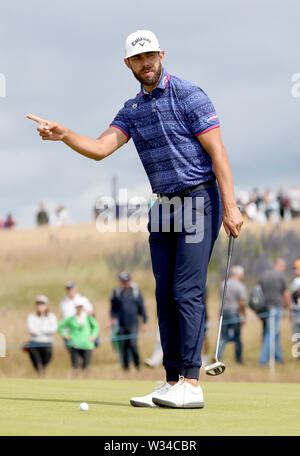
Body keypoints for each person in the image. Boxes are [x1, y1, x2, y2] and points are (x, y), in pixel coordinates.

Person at [27, 29, 243, 408]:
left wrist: (231, 206)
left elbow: (218, 152)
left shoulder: (190, 95)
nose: (147, 62)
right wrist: (64, 135)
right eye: (139, 58)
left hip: (198, 200)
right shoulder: (132, 110)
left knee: (185, 291)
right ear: (128, 63)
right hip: (163, 208)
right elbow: (99, 148)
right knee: (163, 295)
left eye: (152, 55)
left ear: (162, 55)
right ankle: (172, 379)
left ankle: (191, 384)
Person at [110, 272, 147, 371]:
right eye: (123, 281)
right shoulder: (116, 293)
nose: (125, 283)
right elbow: (113, 309)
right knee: (123, 345)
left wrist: (144, 321)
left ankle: (137, 365)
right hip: (121, 324)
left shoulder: (136, 292)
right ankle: (126, 367)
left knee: (133, 344)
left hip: (133, 323)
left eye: (126, 281)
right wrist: (112, 319)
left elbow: (141, 308)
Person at [258, 258, 290, 365]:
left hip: (265, 308)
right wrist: (287, 307)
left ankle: (279, 358)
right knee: (271, 333)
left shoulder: (264, 275)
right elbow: (285, 293)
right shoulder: (281, 276)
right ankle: (263, 360)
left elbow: (258, 291)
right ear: (280, 266)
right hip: (276, 307)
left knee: (274, 332)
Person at [58, 297, 99, 375]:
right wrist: (65, 335)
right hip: (75, 344)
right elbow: (60, 326)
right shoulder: (71, 319)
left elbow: (95, 326)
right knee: (75, 367)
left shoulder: (88, 317)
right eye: (77, 307)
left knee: (86, 367)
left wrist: (93, 335)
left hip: (87, 344)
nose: (79, 308)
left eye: (80, 306)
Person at [217, 266, 247, 364]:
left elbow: (221, 299)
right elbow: (241, 302)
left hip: (223, 312)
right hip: (234, 312)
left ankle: (217, 355)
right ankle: (238, 358)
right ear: (238, 274)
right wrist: (244, 315)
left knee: (223, 336)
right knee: (237, 337)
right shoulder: (240, 285)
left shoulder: (223, 284)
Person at [26, 295, 57, 376]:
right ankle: (39, 376)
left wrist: (40, 330)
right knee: (37, 364)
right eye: (38, 304)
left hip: (47, 343)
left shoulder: (51, 316)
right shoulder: (31, 316)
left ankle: (41, 375)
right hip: (34, 343)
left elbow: (53, 329)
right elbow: (32, 330)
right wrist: (45, 331)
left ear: (46, 305)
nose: (40, 306)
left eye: (42, 303)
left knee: (45, 362)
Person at [291, 259, 300, 351]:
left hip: (297, 311)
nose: (294, 271)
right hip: (296, 311)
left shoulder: (296, 281)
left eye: (296, 268)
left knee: (297, 334)